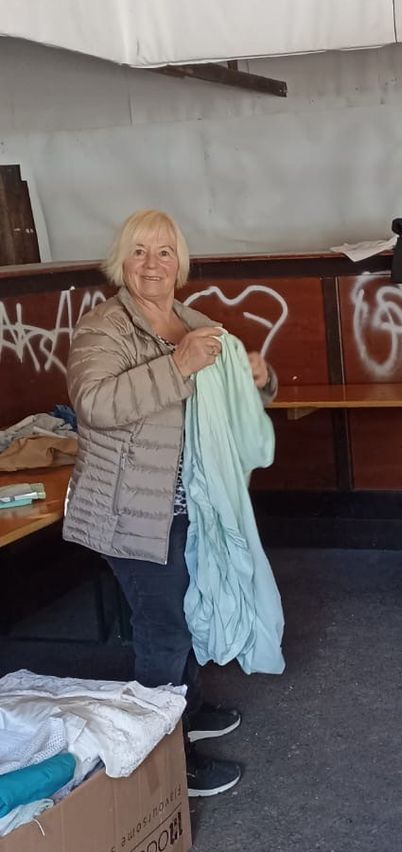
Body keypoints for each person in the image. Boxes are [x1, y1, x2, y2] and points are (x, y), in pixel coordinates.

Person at [63, 209, 278, 797]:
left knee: (184, 607)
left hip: (188, 505)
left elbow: (231, 385)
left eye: (163, 252)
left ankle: (185, 709)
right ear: (120, 261)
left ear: (179, 262)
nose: (152, 264)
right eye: (139, 252)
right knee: (164, 629)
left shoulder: (191, 319)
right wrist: (178, 365)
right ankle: (163, 765)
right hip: (129, 510)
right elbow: (95, 404)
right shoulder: (103, 328)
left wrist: (259, 376)